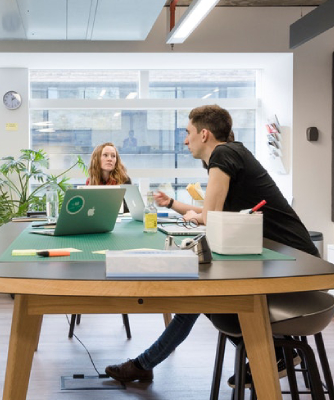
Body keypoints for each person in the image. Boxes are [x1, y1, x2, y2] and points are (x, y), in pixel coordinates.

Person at [104, 104, 318, 386]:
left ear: (204, 134)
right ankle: (273, 349)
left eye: (188, 133)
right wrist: (177, 206)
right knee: (200, 296)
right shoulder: (230, 155)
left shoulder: (224, 154)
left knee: (200, 295)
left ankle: (275, 350)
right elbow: (210, 215)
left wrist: (197, 216)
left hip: (291, 263)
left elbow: (211, 216)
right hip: (272, 258)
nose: (184, 140)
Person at [86, 142, 131, 211]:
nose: (110, 159)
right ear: (97, 159)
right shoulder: (90, 181)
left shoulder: (124, 180)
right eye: (105, 155)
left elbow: (128, 209)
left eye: (113, 156)